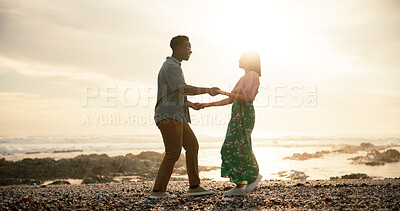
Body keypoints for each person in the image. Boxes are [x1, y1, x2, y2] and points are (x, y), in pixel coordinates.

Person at [150, 35, 218, 199]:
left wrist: (189, 104)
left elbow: (174, 93)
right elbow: (183, 89)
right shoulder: (171, 66)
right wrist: (208, 90)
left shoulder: (174, 66)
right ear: (179, 49)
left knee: (192, 145)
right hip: (169, 115)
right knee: (173, 152)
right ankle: (158, 191)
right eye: (188, 48)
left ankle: (194, 186)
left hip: (177, 114)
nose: (191, 51)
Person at [199, 51, 263, 196]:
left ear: (248, 60)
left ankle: (251, 178)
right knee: (236, 147)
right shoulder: (243, 77)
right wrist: (205, 105)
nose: (238, 59)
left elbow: (247, 97)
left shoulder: (252, 75)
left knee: (234, 146)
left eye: (241, 57)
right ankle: (241, 184)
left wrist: (223, 92)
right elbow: (230, 100)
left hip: (244, 114)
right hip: (237, 114)